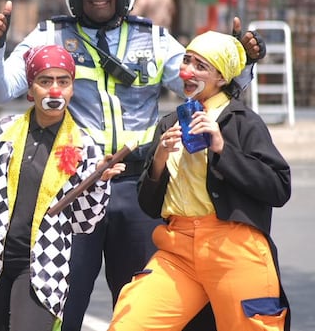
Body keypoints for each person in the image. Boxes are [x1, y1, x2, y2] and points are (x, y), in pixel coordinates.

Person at [0, 0, 266, 331]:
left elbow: (207, 84)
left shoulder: (155, 38)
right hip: (74, 185)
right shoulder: (48, 35)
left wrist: (242, 62)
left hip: (140, 187)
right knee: (60, 301)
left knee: (143, 304)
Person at [108, 31, 291, 331]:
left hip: (236, 247)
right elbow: (149, 204)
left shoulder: (243, 121)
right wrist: (158, 161)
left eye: (199, 66)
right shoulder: (169, 123)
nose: (187, 72)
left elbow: (278, 187)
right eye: (186, 61)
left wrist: (221, 148)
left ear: (221, 77)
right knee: (130, 323)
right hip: (177, 248)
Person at [0, 45, 124, 330]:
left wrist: (97, 183)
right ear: (30, 90)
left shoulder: (85, 147)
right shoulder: (1, 131)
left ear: (72, 89)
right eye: (45, 81)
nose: (54, 90)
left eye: (63, 81)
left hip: (42, 266)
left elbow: (84, 224)